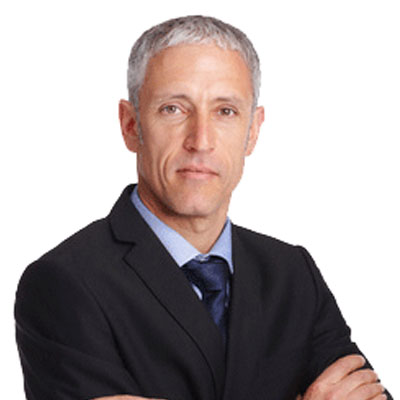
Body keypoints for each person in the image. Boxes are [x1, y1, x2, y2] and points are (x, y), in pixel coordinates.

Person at [14, 15, 392, 400]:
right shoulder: (64, 283)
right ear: (131, 125)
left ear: (252, 131)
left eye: (225, 111)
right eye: (173, 109)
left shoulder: (292, 274)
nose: (201, 140)